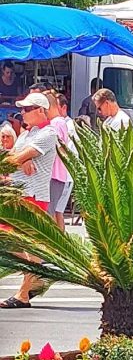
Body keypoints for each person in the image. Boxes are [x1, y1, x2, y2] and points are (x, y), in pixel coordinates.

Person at [0, 92, 60, 309]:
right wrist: (21, 159)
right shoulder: (28, 134)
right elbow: (11, 156)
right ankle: (35, 277)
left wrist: (20, 159)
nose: (22, 113)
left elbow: (13, 158)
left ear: (41, 111)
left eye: (27, 109)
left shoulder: (48, 133)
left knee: (25, 242)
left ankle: (25, 291)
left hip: (33, 195)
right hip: (20, 193)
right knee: (15, 241)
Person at [44, 90, 75, 233]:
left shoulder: (56, 123)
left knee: (50, 214)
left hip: (55, 174)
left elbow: (53, 148)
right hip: (59, 175)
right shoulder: (61, 122)